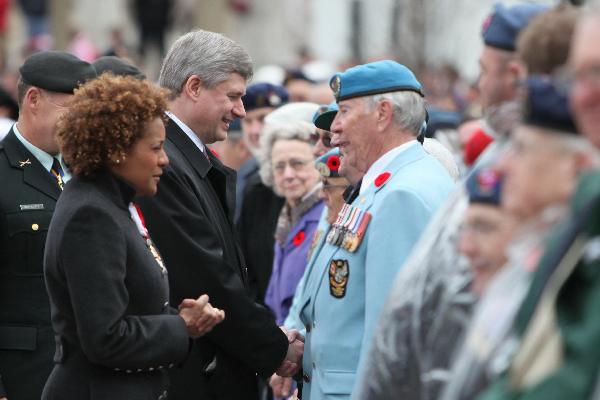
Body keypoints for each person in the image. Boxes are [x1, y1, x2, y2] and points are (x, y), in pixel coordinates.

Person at [136, 30, 303, 400]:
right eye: (233, 96)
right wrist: (275, 347)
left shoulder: (183, 158)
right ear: (194, 87)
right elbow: (203, 275)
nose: (240, 111)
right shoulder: (165, 164)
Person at [42, 73, 224, 400]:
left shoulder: (110, 202)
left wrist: (178, 318)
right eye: (155, 147)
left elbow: (127, 307)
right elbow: (105, 338)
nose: (165, 160)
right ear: (116, 150)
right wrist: (181, 326)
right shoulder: (92, 215)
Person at [298, 60, 454, 400]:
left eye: (344, 112)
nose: (334, 129)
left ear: (383, 113)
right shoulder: (386, 183)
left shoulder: (402, 194)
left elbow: (393, 341)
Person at [0, 51, 96, 400]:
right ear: (34, 100)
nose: (79, 125)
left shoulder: (87, 172)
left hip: (89, 372)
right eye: (71, 112)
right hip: (26, 375)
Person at [260, 121, 324, 326]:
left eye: (297, 164)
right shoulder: (286, 216)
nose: (288, 175)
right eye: (280, 166)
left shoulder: (327, 215)